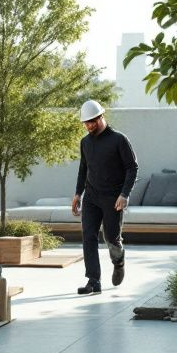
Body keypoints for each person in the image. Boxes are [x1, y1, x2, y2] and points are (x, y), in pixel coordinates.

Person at [71, 100, 139, 295]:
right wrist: (78, 194)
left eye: (92, 121)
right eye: (86, 122)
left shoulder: (119, 140)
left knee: (111, 238)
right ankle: (93, 280)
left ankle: (119, 261)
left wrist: (124, 194)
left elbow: (132, 168)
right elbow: (83, 169)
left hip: (113, 199)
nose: (89, 125)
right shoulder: (85, 142)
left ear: (101, 117)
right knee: (88, 236)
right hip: (91, 197)